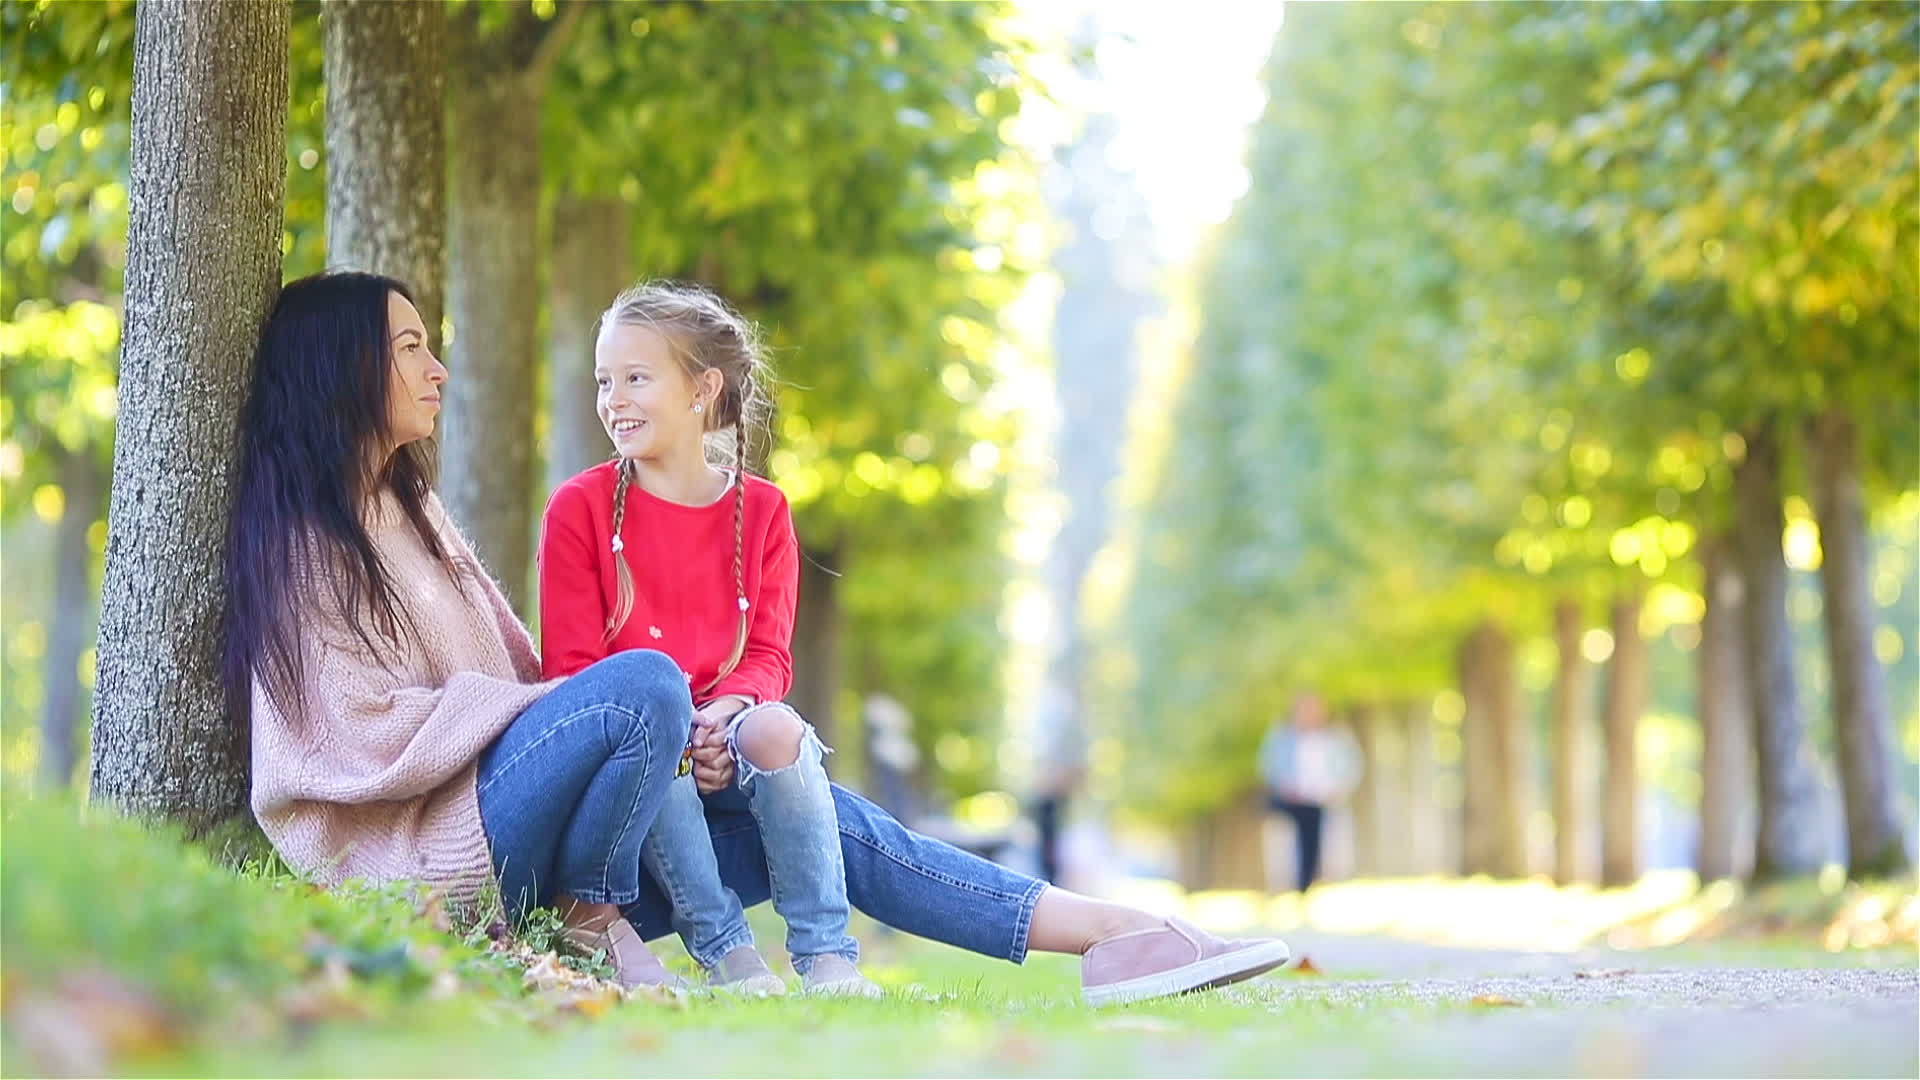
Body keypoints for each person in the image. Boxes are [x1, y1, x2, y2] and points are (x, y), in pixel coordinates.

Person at [228, 269, 1290, 1008]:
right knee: (643, 682)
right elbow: (358, 735)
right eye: (410, 346)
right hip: (442, 860)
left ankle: (1112, 935)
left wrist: (684, 726)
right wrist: (621, 718)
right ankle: (597, 919)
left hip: (552, 827)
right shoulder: (304, 539)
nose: (436, 367)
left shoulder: (414, 518)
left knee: (824, 814)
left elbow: (531, 700)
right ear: (342, 368)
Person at [538, 280, 875, 997]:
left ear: (702, 389)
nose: (613, 399)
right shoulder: (580, 509)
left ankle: (826, 956)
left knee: (780, 727)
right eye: (604, 381)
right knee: (658, 748)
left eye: (636, 378)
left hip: (730, 732)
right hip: (632, 751)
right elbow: (572, 671)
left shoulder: (766, 511)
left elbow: (769, 657)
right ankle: (729, 955)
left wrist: (724, 715)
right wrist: (681, 735)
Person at [1258, 693, 1362, 892]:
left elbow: (1351, 767)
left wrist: (1337, 789)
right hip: (1292, 800)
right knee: (1294, 834)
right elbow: (1269, 767)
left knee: (1320, 831)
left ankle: (1315, 881)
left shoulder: (1336, 738)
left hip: (1324, 800)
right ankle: (1298, 883)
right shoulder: (1281, 738)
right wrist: (1285, 786)